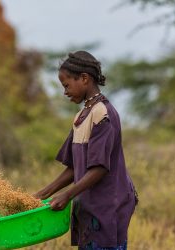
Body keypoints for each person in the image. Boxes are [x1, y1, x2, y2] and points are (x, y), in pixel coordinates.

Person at [34, 51, 137, 250]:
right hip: (89, 207)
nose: (65, 91)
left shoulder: (102, 113)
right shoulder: (82, 116)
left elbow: (99, 168)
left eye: (66, 85)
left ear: (84, 78)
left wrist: (67, 195)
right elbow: (74, 167)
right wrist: (41, 195)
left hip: (108, 207)